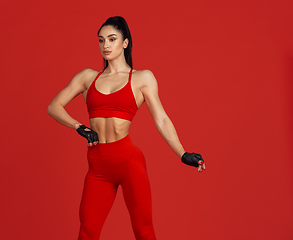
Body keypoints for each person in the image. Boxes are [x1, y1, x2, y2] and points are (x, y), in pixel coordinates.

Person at [47, 16, 206, 240]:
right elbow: (54, 106)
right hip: (98, 167)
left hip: (128, 162)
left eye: (112, 39)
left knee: (143, 231)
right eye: (101, 40)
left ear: (125, 43)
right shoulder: (87, 77)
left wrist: (182, 153)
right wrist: (78, 126)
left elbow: (161, 119)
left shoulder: (142, 78)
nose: (106, 45)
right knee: (87, 232)